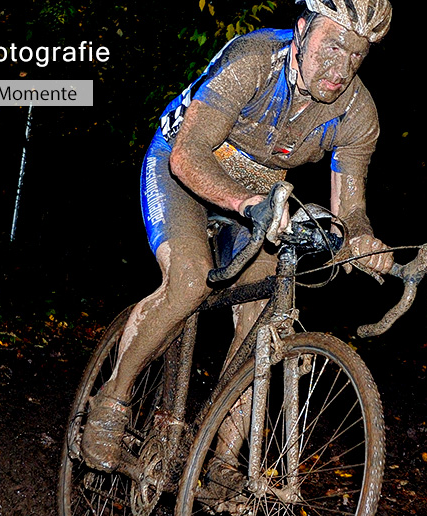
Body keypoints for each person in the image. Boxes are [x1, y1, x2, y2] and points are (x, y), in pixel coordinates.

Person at [80, 0, 395, 472]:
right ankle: (111, 403)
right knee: (189, 281)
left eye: (356, 56)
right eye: (332, 46)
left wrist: (364, 241)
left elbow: (350, 211)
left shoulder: (358, 113)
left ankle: (223, 458)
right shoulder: (252, 61)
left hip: (261, 193)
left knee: (264, 319)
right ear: (303, 29)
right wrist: (246, 204)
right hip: (185, 165)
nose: (340, 68)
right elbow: (187, 155)